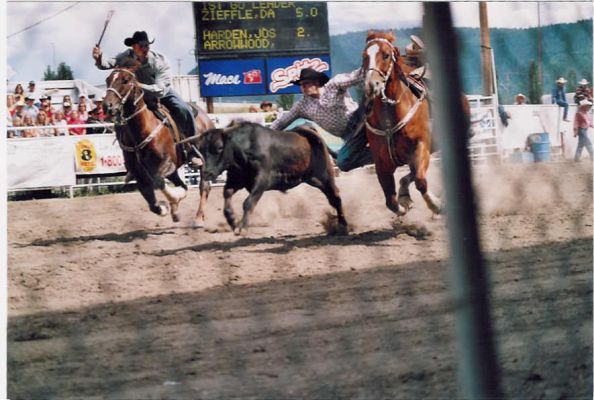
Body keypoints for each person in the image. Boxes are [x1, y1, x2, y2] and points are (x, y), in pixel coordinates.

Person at [92, 30, 196, 143]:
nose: (145, 49)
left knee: (184, 109)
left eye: (147, 45)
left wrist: (139, 85)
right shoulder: (126, 56)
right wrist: (98, 58)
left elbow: (160, 90)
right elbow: (107, 64)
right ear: (134, 47)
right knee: (119, 113)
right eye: (141, 46)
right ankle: (124, 143)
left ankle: (193, 144)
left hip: (161, 93)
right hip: (137, 95)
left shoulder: (158, 61)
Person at [270, 67, 372, 171]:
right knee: (343, 163)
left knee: (372, 100)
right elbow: (282, 121)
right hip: (349, 135)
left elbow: (356, 76)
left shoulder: (334, 85)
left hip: (361, 119)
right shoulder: (302, 106)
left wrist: (373, 67)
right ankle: (380, 153)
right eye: (301, 85)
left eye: (306, 83)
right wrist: (266, 133)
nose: (302, 87)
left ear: (317, 83)